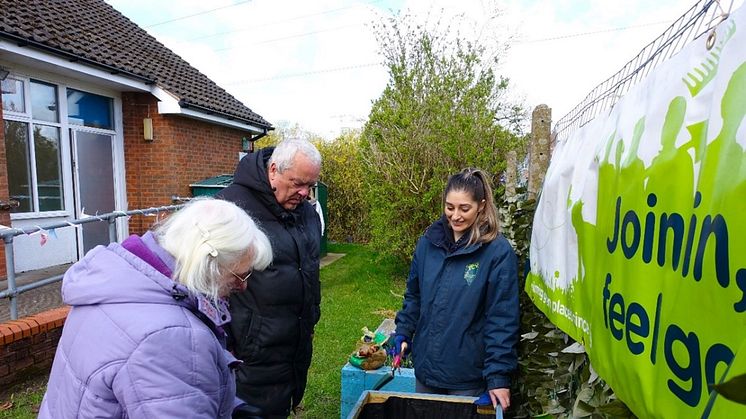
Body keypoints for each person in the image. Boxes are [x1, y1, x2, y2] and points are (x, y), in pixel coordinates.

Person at [38, 198, 273, 418]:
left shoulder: (112, 286)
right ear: (205, 264)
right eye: (238, 276)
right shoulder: (171, 336)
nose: (243, 286)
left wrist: (231, 405)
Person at [393, 168, 520, 411]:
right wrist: (403, 332)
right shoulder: (428, 243)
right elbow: (414, 296)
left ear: (481, 206)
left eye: (464, 208)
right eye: (450, 207)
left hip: (466, 377)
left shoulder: (497, 252)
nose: (455, 216)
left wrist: (497, 378)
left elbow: (502, 319)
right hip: (426, 371)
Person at [217, 138, 322, 418]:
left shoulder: (306, 213)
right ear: (273, 170)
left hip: (291, 351)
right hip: (248, 361)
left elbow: (310, 270)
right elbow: (207, 286)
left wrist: (312, 314)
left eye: (310, 186)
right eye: (298, 183)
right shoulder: (232, 210)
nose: (304, 193)